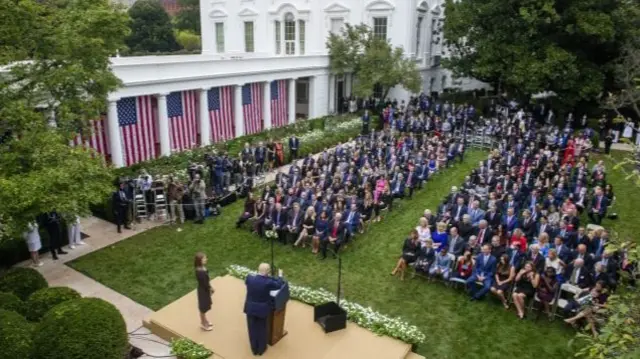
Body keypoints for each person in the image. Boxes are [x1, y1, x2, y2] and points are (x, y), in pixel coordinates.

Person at [244, 263, 284, 356]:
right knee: (262, 329)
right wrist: (280, 276)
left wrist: (266, 276)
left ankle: (254, 349)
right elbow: (279, 284)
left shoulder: (249, 278)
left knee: (252, 329)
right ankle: (261, 349)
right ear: (267, 272)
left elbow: (249, 282)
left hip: (250, 308)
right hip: (262, 310)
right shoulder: (268, 282)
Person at [195, 252, 214, 331]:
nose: (206, 259)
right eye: (204, 258)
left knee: (205, 307)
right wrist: (210, 288)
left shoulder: (202, 268)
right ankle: (203, 324)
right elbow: (205, 283)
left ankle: (205, 321)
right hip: (203, 290)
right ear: (200, 260)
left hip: (204, 289)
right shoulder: (200, 271)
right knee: (203, 308)